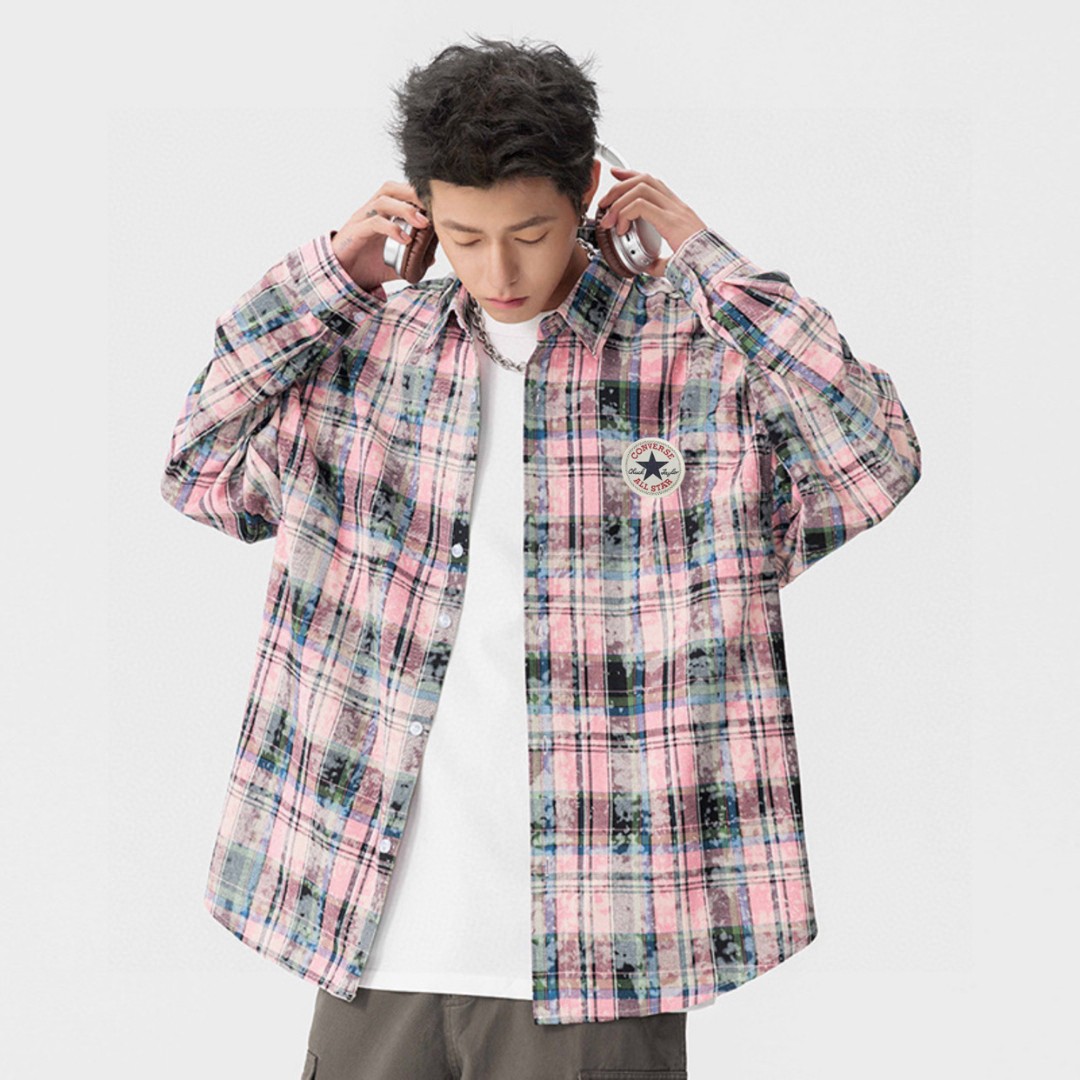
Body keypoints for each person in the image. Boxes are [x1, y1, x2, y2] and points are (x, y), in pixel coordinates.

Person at [159, 33, 921, 1080]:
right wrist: (325, 276)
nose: (499, 271)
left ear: (589, 199)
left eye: (531, 232)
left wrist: (706, 259)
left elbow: (874, 458)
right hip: (368, 932)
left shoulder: (694, 366)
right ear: (421, 216)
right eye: (465, 237)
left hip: (608, 947)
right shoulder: (365, 358)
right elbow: (197, 466)